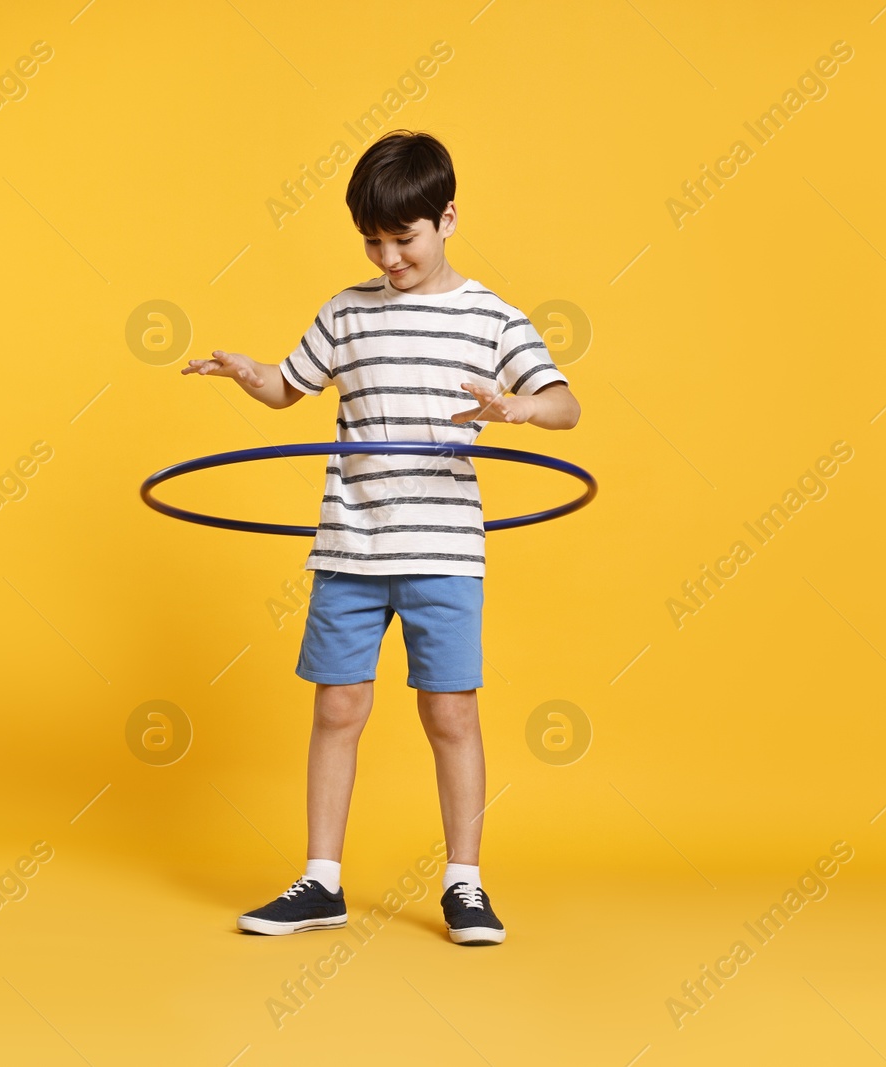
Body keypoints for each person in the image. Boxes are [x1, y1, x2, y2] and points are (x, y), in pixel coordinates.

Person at [182, 129, 581, 946]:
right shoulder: (345, 312)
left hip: (443, 553)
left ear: (448, 220)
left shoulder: (492, 318)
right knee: (338, 708)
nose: (389, 257)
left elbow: (564, 404)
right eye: (374, 241)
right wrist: (248, 372)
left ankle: (465, 884)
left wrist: (519, 408)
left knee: (452, 716)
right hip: (350, 550)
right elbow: (287, 391)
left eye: (405, 238)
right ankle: (320, 881)